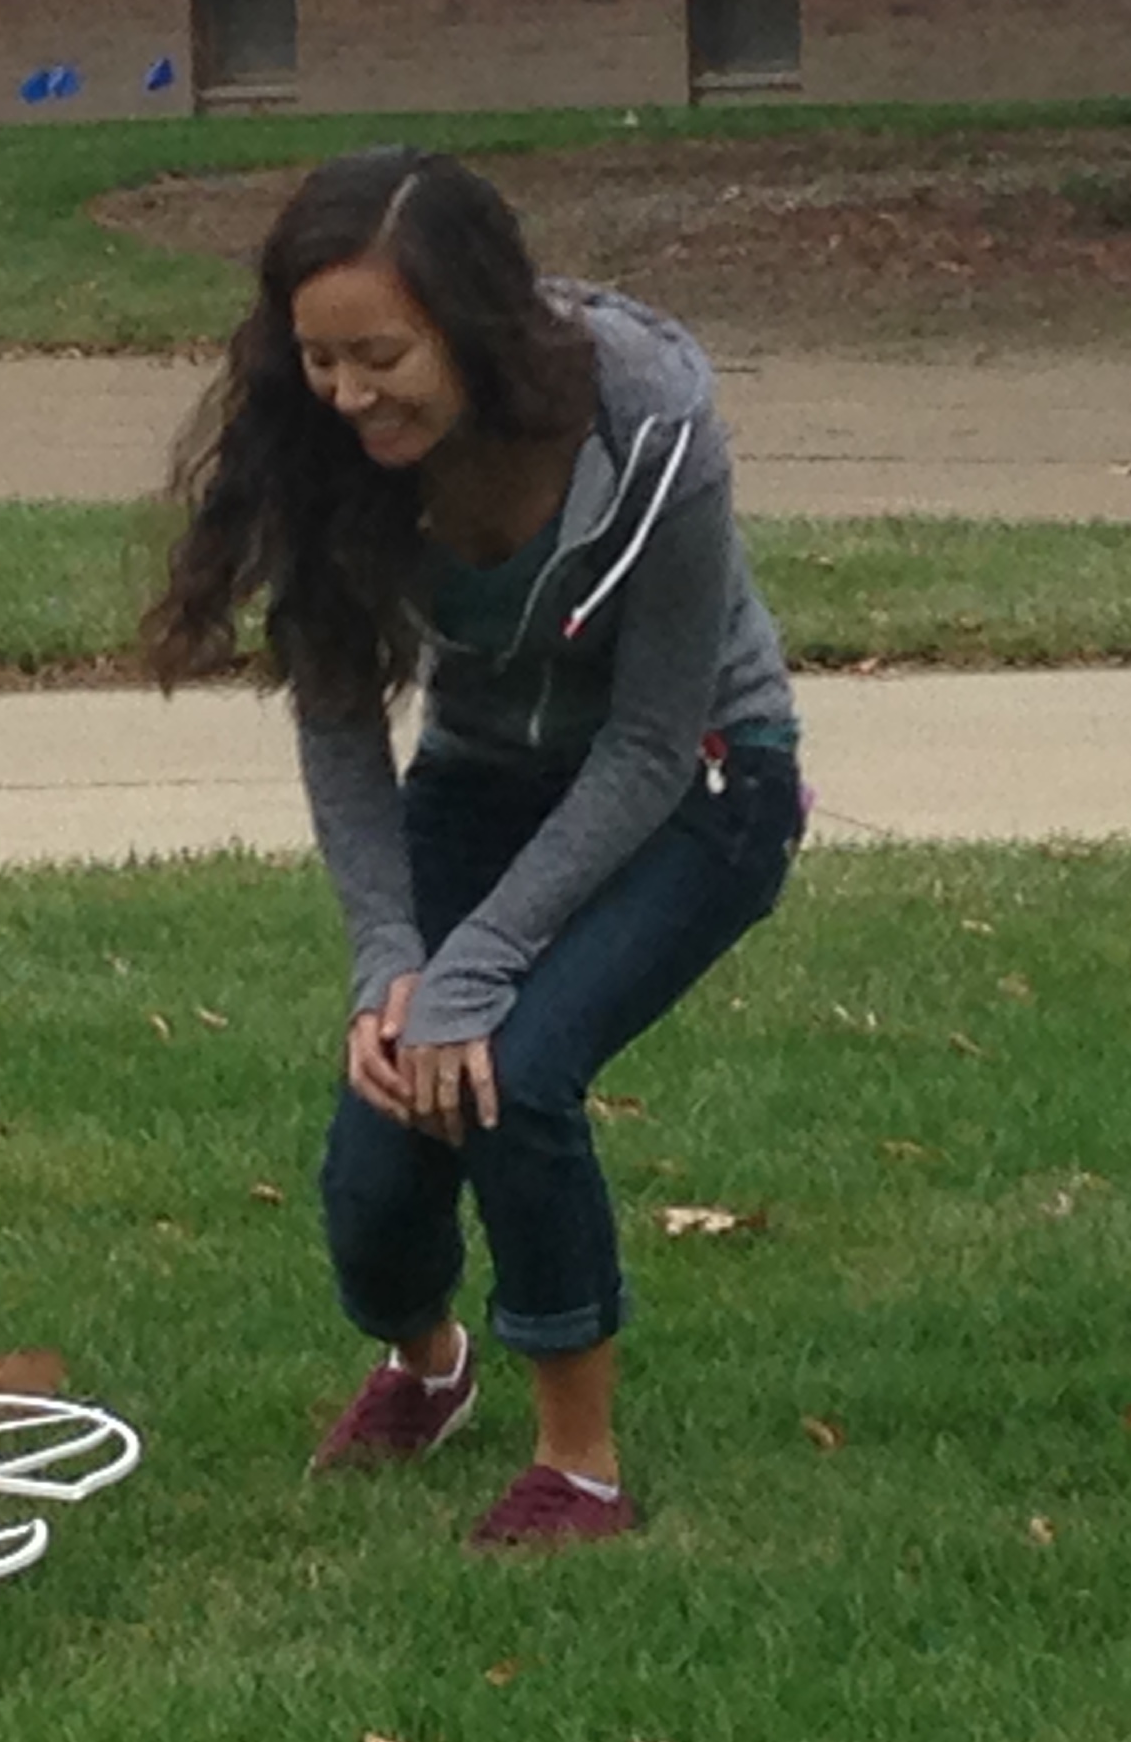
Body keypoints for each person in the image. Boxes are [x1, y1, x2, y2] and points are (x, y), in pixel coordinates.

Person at [143, 150, 803, 1546]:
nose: (347, 393)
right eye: (318, 359)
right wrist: (394, 957)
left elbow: (646, 742)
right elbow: (339, 723)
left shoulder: (652, 425)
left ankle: (584, 1469)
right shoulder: (329, 446)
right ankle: (424, 1363)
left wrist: (481, 966)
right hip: (483, 779)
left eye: (380, 355)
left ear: (472, 322)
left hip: (702, 783)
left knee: (513, 1073)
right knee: (381, 1146)